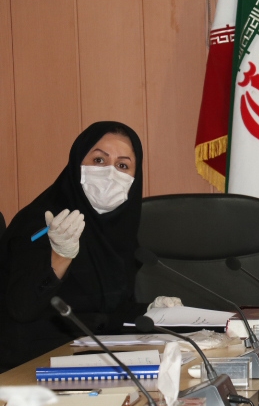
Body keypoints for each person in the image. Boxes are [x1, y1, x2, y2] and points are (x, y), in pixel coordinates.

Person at [0, 121, 150, 371]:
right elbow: (22, 309)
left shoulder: (118, 229)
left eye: (123, 165)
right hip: (29, 364)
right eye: (99, 160)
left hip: (93, 356)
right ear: (77, 163)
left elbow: (107, 310)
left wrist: (152, 311)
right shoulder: (41, 221)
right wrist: (59, 256)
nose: (110, 173)